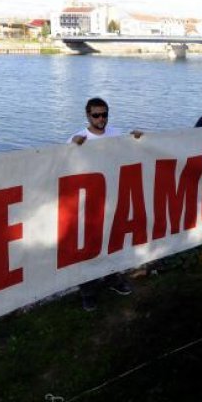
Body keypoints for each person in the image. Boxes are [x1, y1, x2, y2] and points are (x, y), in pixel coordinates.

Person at [69, 97, 142, 310]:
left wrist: (138, 140)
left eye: (104, 114)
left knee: (112, 242)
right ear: (88, 116)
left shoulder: (116, 134)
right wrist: (73, 148)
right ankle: (88, 291)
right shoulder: (78, 138)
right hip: (89, 204)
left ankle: (112, 279)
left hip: (113, 199)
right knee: (89, 247)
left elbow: (131, 154)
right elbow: (65, 167)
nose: (101, 119)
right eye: (96, 115)